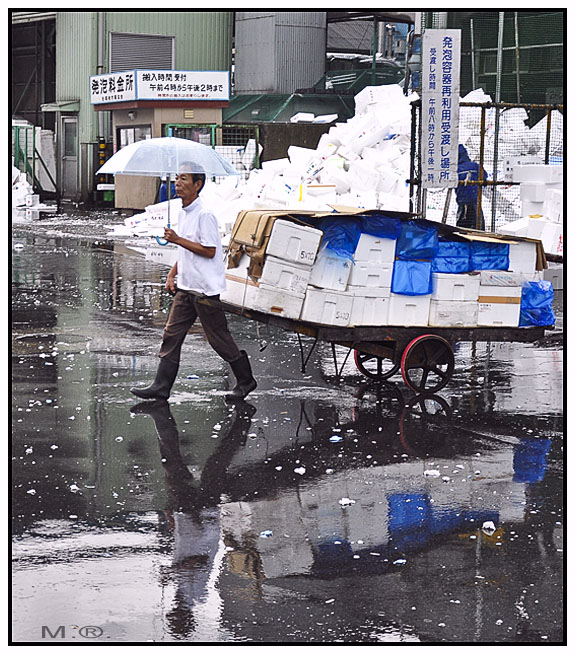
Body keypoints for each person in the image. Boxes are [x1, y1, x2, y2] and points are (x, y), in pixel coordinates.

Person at [131, 163, 257, 402]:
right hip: (186, 286)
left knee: (218, 338)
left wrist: (177, 239)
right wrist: (172, 274)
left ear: (197, 185)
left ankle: (246, 379)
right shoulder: (182, 212)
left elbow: (209, 250)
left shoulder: (205, 215)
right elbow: (185, 249)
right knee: (171, 333)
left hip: (204, 289)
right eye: (177, 178)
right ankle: (161, 386)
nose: (178, 183)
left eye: (184, 179)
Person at [455, 144, 487, 230]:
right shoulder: (475, 166)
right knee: (478, 226)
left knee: (461, 228)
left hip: (461, 202)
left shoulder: (455, 169)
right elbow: (484, 178)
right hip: (475, 200)